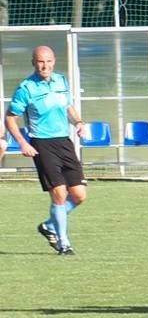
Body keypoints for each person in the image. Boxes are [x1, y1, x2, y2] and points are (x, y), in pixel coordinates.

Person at [5, 45, 87, 256]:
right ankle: (64, 242)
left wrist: (78, 122)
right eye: (41, 61)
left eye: (48, 61)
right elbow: (10, 117)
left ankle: (50, 226)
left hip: (64, 142)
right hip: (42, 143)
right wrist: (23, 143)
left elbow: (68, 106)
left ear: (54, 61)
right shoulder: (26, 88)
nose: (45, 65)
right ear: (34, 63)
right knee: (59, 193)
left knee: (79, 195)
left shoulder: (61, 80)